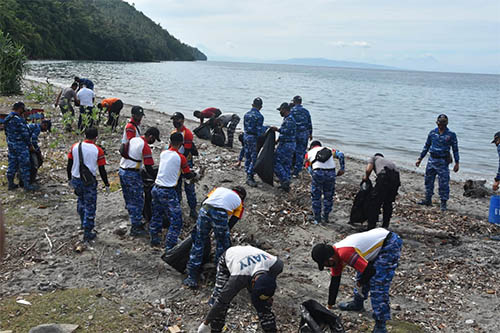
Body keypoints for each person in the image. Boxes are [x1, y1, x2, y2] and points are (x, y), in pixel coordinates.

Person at [311, 228, 403, 333]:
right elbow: (335, 281)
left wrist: (361, 283)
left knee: (378, 284)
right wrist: (330, 305)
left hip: (389, 243)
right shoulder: (335, 257)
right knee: (360, 276)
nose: (328, 267)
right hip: (376, 244)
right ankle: (357, 303)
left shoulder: (345, 253)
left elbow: (370, 271)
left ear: (330, 259)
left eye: (326, 264)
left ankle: (381, 324)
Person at [196, 245, 283, 333]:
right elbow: (221, 301)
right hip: (230, 257)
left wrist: (267, 297)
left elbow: (267, 285)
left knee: (263, 305)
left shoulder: (276, 265)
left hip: (251, 258)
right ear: (252, 283)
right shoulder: (238, 279)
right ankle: (215, 329)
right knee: (221, 306)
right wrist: (205, 324)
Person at [183, 186, 246, 288]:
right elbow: (231, 223)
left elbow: (205, 201)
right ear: (242, 197)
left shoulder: (218, 189)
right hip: (220, 213)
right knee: (222, 245)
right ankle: (218, 276)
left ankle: (192, 276)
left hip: (205, 209)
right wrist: (221, 232)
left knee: (199, 242)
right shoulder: (240, 203)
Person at [150, 133, 196, 249]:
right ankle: (170, 246)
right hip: (167, 191)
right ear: (181, 144)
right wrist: (194, 173)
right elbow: (187, 175)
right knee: (176, 220)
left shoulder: (163, 154)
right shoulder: (181, 157)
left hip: (156, 188)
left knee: (157, 214)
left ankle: (154, 239)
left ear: (170, 141)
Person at [67, 127, 110, 241]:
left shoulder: (75, 146)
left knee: (81, 201)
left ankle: (82, 223)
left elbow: (69, 164)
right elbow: (102, 170)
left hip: (76, 178)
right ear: (96, 137)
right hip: (88, 181)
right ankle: (87, 232)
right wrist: (106, 183)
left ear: (84, 135)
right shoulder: (98, 150)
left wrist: (69, 179)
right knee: (90, 205)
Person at [119, 127, 160, 236]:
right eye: (154, 139)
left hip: (122, 170)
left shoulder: (134, 139)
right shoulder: (145, 146)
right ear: (151, 136)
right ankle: (135, 227)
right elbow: (149, 168)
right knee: (137, 201)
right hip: (131, 174)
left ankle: (134, 220)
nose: (153, 142)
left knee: (129, 198)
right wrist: (158, 179)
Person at [416, 114, 459, 211]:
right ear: (437, 123)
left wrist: (457, 163)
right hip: (432, 160)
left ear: (446, 124)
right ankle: (428, 200)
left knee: (443, 183)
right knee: (428, 181)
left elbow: (455, 149)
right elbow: (426, 146)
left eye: (443, 124)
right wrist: (420, 158)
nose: (441, 126)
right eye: (440, 124)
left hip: (443, 161)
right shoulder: (432, 133)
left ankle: (443, 203)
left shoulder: (451, 135)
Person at [304, 141, 345, 224]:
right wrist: (342, 168)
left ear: (311, 147)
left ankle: (317, 218)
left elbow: (307, 166)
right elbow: (341, 155)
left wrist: (312, 173)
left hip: (318, 173)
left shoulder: (308, 153)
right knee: (328, 195)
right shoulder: (329, 149)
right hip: (331, 173)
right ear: (320, 146)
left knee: (316, 196)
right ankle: (326, 216)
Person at [4, 102, 38, 191]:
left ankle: (10, 184)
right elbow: (25, 134)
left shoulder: (8, 118)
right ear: (20, 109)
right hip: (21, 146)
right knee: (24, 165)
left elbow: (6, 133)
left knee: (12, 164)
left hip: (11, 145)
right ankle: (27, 186)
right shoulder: (18, 119)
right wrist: (30, 145)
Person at [171, 112, 198, 219]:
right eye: (174, 120)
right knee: (176, 185)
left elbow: (186, 150)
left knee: (189, 186)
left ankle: (192, 209)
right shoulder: (173, 132)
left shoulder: (187, 133)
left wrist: (180, 162)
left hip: (186, 161)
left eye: (177, 119)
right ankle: (178, 205)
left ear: (182, 120)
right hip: (177, 160)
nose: (175, 122)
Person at [364, 153, 400, 230]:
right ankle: (385, 225)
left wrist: (366, 178)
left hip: (384, 176)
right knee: (388, 202)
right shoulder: (388, 161)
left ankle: (371, 226)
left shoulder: (374, 158)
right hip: (396, 177)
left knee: (375, 202)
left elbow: (368, 169)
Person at [271, 102, 296, 192]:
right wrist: (277, 141)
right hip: (288, 144)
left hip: (286, 145)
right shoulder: (287, 118)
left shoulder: (289, 120)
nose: (280, 112)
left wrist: (277, 129)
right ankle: (285, 183)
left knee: (276, 162)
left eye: (280, 110)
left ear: (285, 109)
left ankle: (285, 180)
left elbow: (286, 131)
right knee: (286, 164)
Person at [243, 97, 267, 187]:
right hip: (253, 138)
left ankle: (247, 171)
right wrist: (267, 128)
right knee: (254, 157)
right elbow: (259, 131)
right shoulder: (259, 116)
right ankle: (250, 176)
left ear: (252, 105)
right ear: (261, 107)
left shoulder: (246, 114)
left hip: (246, 136)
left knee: (247, 154)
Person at [290, 95, 312, 177]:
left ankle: (292, 168)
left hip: (295, 134)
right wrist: (310, 134)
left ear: (294, 102)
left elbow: (289, 122)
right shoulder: (306, 111)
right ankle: (297, 170)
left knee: (292, 151)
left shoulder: (292, 111)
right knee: (301, 152)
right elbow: (309, 123)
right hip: (304, 134)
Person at [25, 120, 51, 184]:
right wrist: (38, 151)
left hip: (23, 144)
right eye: (46, 128)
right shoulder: (37, 128)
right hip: (25, 146)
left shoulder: (33, 126)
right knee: (36, 163)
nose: (45, 130)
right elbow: (33, 141)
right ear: (44, 125)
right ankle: (30, 181)